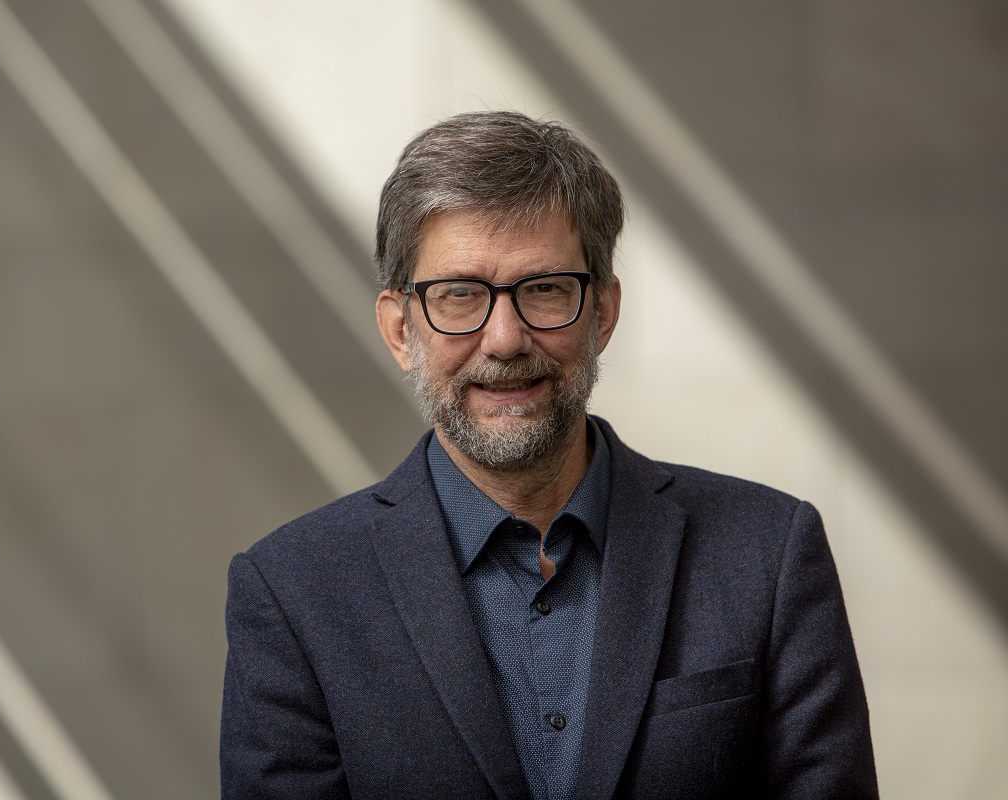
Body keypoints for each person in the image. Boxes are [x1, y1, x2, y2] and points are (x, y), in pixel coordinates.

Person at [220, 111, 878, 799]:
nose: (504, 339)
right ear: (399, 329)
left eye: (543, 289)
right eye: (459, 295)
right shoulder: (294, 593)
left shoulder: (766, 554)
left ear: (603, 313)